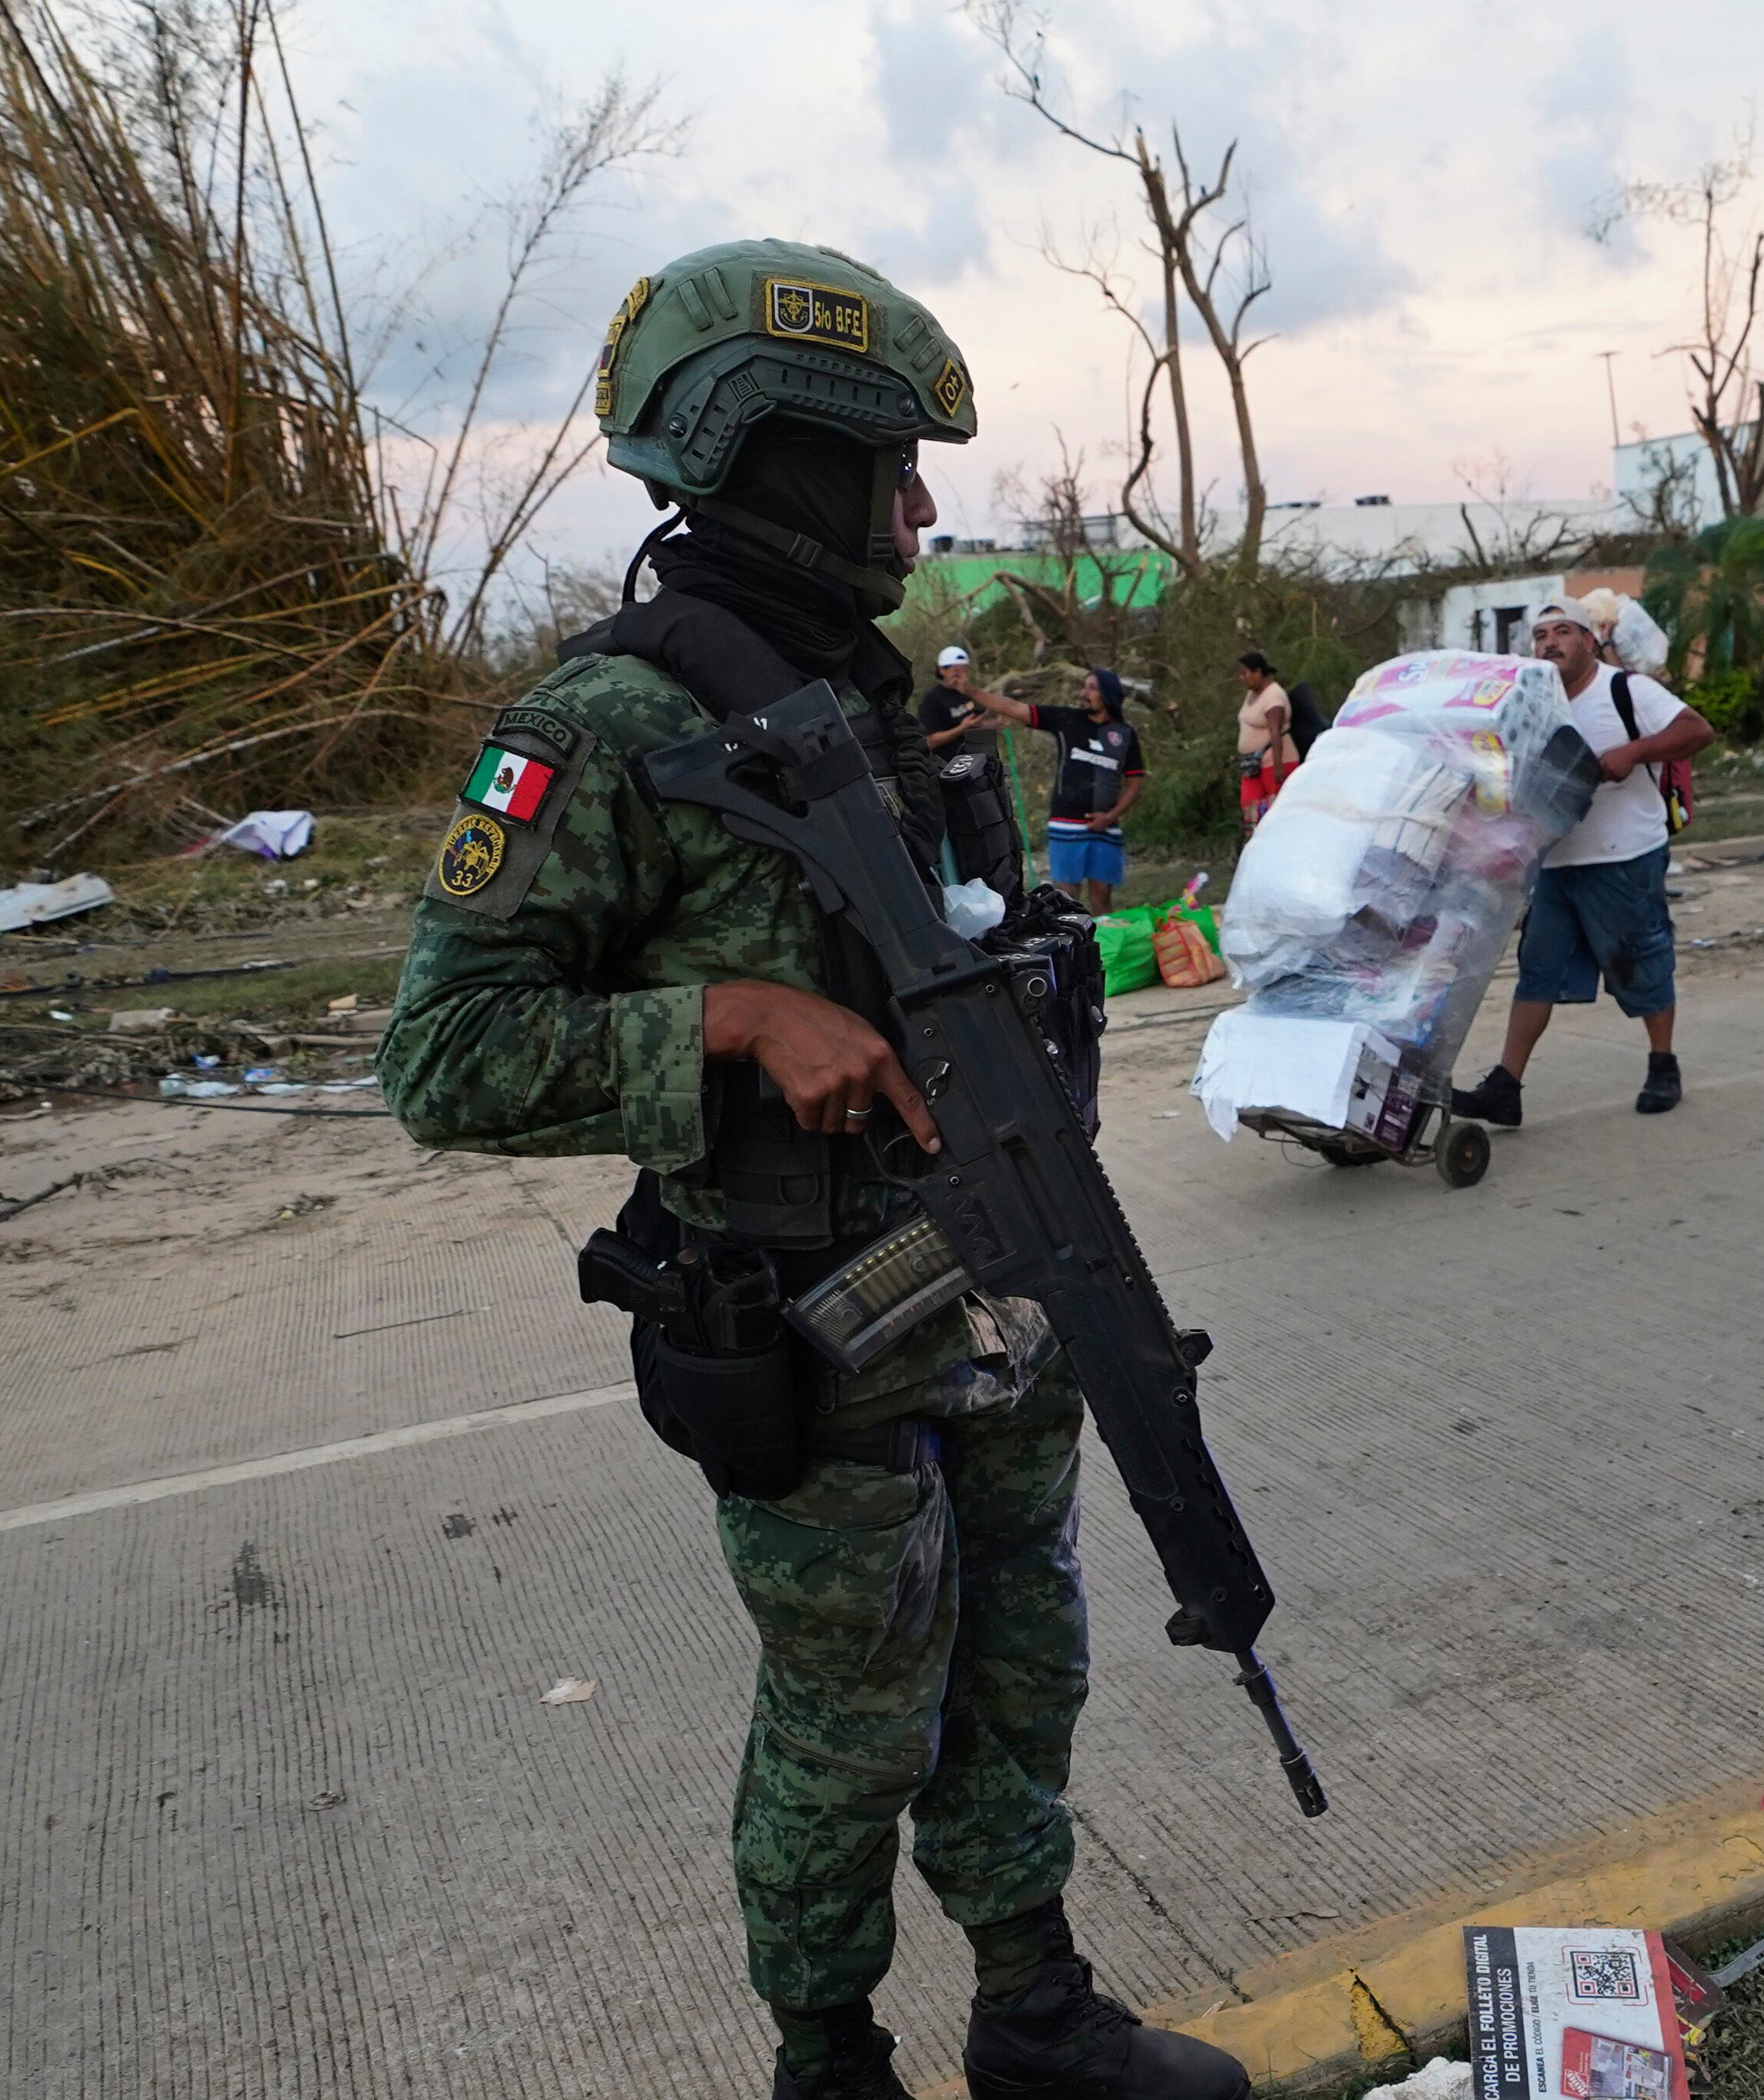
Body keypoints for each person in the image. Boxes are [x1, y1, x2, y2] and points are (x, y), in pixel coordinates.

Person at [376, 237, 1246, 2100]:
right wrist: (732, 1019)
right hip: (812, 1321)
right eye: (890, 467)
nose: (923, 506)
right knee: (854, 1721)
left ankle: (1032, 2007)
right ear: (774, 455)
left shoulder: (878, 694)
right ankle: (825, 2049)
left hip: (999, 1287)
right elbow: (441, 1056)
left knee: (1028, 1671)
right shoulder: (603, 725)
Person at [1444, 595, 1716, 1123]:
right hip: (1555, 863)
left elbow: (1697, 731)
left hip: (1624, 857)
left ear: (1589, 641)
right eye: (1541, 637)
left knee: (1639, 963)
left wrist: (1633, 753)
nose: (1551, 644)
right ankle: (1507, 1086)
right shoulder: (1531, 705)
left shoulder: (1625, 689)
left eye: (1562, 632)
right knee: (1536, 971)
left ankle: (1663, 1064)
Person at [974, 670, 1143, 912]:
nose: (1084, 694)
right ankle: (1075, 944)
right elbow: (1015, 708)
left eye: (1092, 688)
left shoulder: (1124, 735)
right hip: (1066, 825)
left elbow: (1135, 783)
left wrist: (1111, 815)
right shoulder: (1066, 719)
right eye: (1084, 687)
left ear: (1108, 694)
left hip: (1106, 828)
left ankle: (1105, 945)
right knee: (1066, 896)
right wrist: (972, 692)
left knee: (1102, 895)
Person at [917, 644, 1024, 901]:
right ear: (942, 671)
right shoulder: (933, 700)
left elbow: (974, 724)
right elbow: (928, 741)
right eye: (953, 670)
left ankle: (1003, 887)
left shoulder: (968, 696)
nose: (959, 675)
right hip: (951, 778)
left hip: (980, 775)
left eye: (962, 670)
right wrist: (961, 728)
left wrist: (994, 724)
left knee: (996, 829)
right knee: (966, 836)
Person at [1231, 651, 1317, 831]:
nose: (1242, 678)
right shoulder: (1252, 695)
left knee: (1278, 810)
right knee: (1251, 808)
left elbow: (1275, 732)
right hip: (1253, 764)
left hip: (1275, 761)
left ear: (1258, 672)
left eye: (1245, 673)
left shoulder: (1274, 697)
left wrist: (1278, 766)